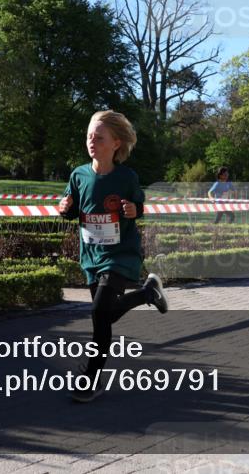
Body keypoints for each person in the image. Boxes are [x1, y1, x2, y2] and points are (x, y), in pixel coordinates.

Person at [58, 110, 168, 403]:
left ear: (116, 143)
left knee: (99, 314)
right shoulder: (78, 175)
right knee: (103, 315)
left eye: (99, 137)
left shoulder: (127, 177)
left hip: (120, 255)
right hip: (91, 255)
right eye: (89, 136)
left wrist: (134, 209)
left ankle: (89, 381)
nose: (92, 141)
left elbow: (139, 207)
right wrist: (64, 207)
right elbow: (70, 209)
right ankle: (147, 294)